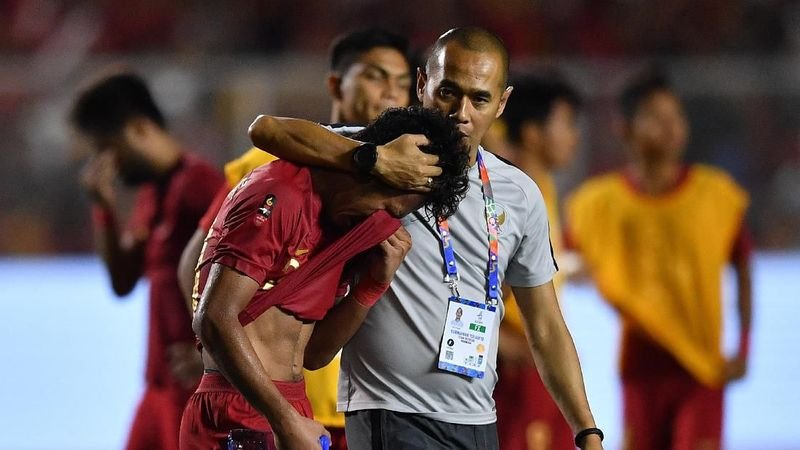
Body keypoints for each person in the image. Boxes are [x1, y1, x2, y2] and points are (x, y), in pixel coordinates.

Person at [249, 27, 604, 450]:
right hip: (389, 411)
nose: (461, 113)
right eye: (448, 92)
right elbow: (266, 130)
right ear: (422, 85)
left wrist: (587, 430)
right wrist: (372, 158)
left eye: (480, 99)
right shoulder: (381, 151)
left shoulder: (520, 194)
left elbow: (545, 325)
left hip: (478, 417)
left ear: (502, 103)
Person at [175, 28, 430, 449]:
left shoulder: (363, 216)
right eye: (375, 76)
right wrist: (211, 347)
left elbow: (313, 353)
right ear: (336, 84)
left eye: (402, 83)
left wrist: (371, 286)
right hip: (254, 403)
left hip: (316, 406)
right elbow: (204, 272)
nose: (390, 92)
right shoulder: (278, 168)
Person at [564, 69, 752, 450]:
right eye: (656, 117)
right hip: (639, 367)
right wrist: (575, 268)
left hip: (700, 367)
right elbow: (559, 257)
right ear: (625, 128)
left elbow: (744, 263)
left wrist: (744, 345)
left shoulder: (715, 195)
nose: (671, 126)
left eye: (676, 116)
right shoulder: (598, 204)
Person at [71, 71, 225, 450]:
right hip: (158, 388)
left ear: (139, 128)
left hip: (193, 387)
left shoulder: (201, 185)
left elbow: (249, 274)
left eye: (107, 147)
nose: (105, 162)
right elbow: (123, 282)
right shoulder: (152, 195)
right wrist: (104, 208)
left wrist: (214, 356)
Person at [493, 73, 583, 450]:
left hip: (537, 357)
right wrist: (500, 342)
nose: (575, 137)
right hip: (514, 366)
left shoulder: (542, 187)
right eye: (567, 124)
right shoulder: (509, 194)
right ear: (532, 134)